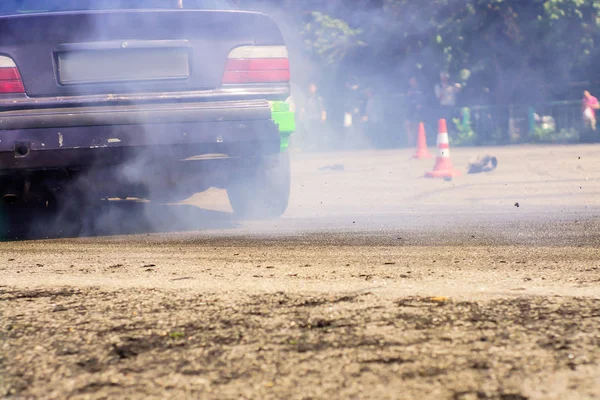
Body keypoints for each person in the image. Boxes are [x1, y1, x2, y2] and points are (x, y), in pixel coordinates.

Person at [300, 83, 327, 150]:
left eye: (313, 87)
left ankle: (319, 145)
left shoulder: (318, 98)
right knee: (311, 131)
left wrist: (323, 116)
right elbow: (304, 107)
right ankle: (313, 144)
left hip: (317, 117)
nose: (311, 88)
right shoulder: (307, 97)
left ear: (316, 88)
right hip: (310, 117)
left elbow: (322, 108)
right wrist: (302, 114)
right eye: (310, 87)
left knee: (317, 131)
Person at [405, 77, 424, 147]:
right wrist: (408, 96)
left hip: (416, 111)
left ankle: (415, 142)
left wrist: (419, 105)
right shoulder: (408, 90)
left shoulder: (419, 90)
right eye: (410, 81)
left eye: (413, 81)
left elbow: (421, 99)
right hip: (409, 110)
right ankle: (410, 142)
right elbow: (406, 100)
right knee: (408, 125)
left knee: (415, 126)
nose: (412, 82)